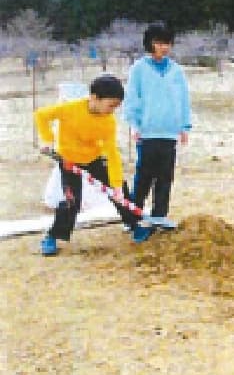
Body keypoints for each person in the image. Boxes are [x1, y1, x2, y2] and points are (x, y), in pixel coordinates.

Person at [35, 75, 154, 255]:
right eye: (111, 105)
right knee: (71, 201)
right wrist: (48, 139)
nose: (113, 110)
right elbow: (42, 115)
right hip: (69, 162)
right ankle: (52, 236)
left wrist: (115, 184)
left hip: (94, 159)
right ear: (94, 98)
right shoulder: (70, 109)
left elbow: (112, 153)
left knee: (119, 189)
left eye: (116, 106)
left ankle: (134, 225)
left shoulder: (108, 122)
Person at [124, 23, 191, 229]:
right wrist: (134, 125)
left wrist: (184, 127)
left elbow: (183, 99)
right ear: (151, 43)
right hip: (147, 132)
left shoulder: (176, 70)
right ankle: (133, 217)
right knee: (143, 176)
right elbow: (132, 98)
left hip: (169, 132)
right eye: (160, 43)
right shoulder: (139, 69)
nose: (164, 47)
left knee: (165, 176)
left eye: (167, 43)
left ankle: (159, 215)